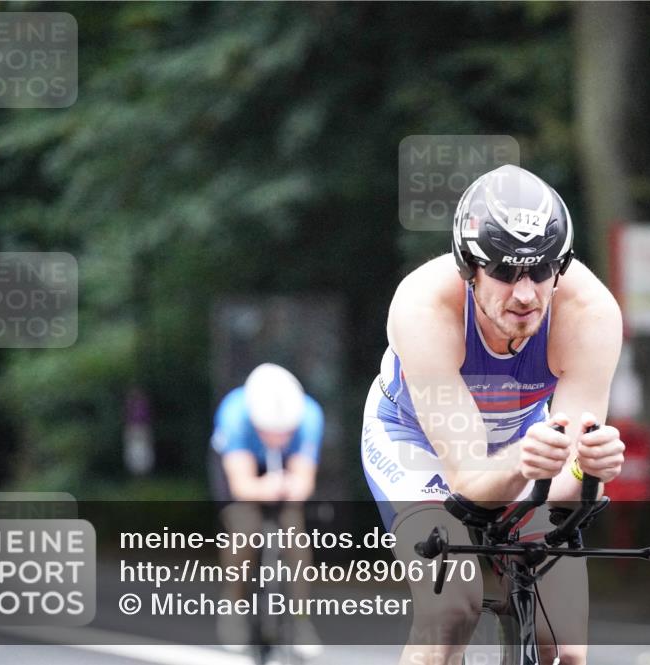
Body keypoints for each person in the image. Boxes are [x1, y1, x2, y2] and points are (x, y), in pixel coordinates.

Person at [361, 165, 626, 665]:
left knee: (564, 647)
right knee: (450, 610)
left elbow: (566, 482)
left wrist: (588, 469)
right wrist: (532, 465)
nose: (525, 293)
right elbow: (466, 481)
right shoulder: (424, 306)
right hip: (419, 443)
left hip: (523, 439)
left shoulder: (591, 314)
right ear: (469, 267)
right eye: (504, 271)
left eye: (541, 269)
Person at [209, 362, 324, 659]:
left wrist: (289, 487)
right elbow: (241, 485)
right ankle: (233, 606)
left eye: (285, 433)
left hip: (284, 468)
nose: (277, 439)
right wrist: (262, 488)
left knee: (294, 533)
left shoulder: (309, 416)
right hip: (242, 466)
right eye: (270, 432)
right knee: (243, 526)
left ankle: (300, 619)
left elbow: (304, 482)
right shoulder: (235, 415)